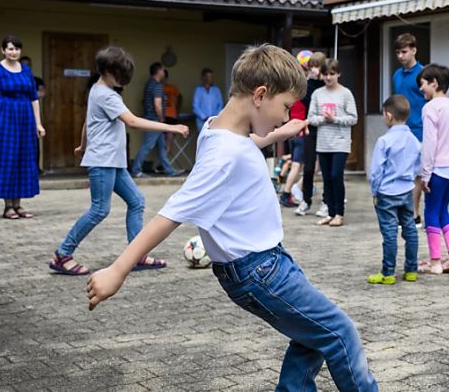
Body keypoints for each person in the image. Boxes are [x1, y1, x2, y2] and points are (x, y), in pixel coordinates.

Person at [84, 44, 378, 391]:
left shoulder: (215, 129)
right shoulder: (225, 154)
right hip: (260, 271)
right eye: (284, 107)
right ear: (260, 94)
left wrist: (275, 135)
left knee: (312, 336)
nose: (285, 117)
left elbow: (243, 141)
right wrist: (118, 269)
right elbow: (172, 212)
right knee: (339, 331)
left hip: (264, 265)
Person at [49, 47, 188, 275]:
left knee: (136, 201)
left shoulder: (98, 90)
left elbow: (88, 122)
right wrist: (171, 126)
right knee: (99, 210)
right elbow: (131, 121)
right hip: (104, 161)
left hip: (113, 162)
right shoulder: (106, 95)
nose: (123, 81)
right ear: (107, 70)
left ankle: (137, 256)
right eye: (120, 75)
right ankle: (63, 254)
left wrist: (83, 146)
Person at [0, 36, 45, 219]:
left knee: (23, 159)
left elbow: (34, 98)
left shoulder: (26, 71)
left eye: (17, 49)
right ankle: (7, 205)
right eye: (10, 49)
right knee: (6, 159)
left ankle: (18, 204)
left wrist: (38, 123)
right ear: (3, 50)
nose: (14, 52)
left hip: (24, 120)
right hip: (3, 118)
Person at [416, 64, 449, 274]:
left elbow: (429, 144)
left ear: (434, 83)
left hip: (439, 169)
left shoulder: (430, 108)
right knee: (442, 210)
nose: (421, 89)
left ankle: (435, 262)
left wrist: (424, 174)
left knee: (431, 213)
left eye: (423, 84)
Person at [367, 94, 421, 285]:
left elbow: (376, 172)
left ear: (389, 115)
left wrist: (375, 191)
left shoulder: (384, 141)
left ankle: (388, 273)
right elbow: (417, 166)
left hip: (387, 192)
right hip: (407, 191)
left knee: (389, 233)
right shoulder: (414, 140)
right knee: (410, 229)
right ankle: (411, 270)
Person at [307, 59, 358, 227]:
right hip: (323, 142)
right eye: (326, 74)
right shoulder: (317, 94)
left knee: (336, 175)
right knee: (327, 178)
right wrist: (323, 119)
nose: (328, 77)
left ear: (338, 74)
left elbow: (353, 118)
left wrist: (334, 119)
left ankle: (339, 213)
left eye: (332, 74)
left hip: (341, 142)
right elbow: (311, 118)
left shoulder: (346, 93)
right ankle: (330, 213)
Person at [392, 33, 427, 228]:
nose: (400, 56)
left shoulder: (423, 74)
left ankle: (414, 214)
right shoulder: (396, 75)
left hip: (420, 130)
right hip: (400, 131)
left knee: (417, 175)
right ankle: (401, 213)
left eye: (404, 52)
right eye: (398, 52)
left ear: (413, 50)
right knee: (400, 173)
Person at [129, 62, 181, 178]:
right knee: (147, 145)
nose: (164, 72)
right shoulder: (157, 85)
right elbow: (157, 104)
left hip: (150, 117)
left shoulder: (149, 84)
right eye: (163, 70)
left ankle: (169, 170)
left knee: (161, 146)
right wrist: (161, 119)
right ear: (158, 71)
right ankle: (136, 169)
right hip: (155, 120)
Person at [295, 51, 327, 217]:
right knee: (308, 168)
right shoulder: (306, 85)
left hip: (327, 130)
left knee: (327, 168)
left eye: (318, 66)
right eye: (312, 66)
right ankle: (306, 200)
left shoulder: (328, 85)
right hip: (311, 129)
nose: (315, 70)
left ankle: (326, 201)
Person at [278, 97, 306, 208]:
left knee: (294, 164)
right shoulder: (305, 97)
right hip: (301, 133)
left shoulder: (291, 98)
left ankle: (289, 192)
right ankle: (286, 194)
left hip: (292, 133)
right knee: (296, 165)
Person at [192, 68, 223, 132]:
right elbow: (195, 106)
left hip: (215, 120)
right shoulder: (198, 90)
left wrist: (215, 117)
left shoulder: (216, 90)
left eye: (211, 76)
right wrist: (204, 118)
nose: (210, 78)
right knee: (203, 140)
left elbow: (220, 104)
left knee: (213, 140)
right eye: (208, 76)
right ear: (203, 78)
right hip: (202, 121)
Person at [162, 69, 180, 156]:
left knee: (169, 141)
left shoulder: (173, 88)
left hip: (171, 116)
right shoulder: (157, 87)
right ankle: (160, 165)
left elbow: (178, 100)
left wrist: (177, 113)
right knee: (161, 143)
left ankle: (162, 165)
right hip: (162, 117)